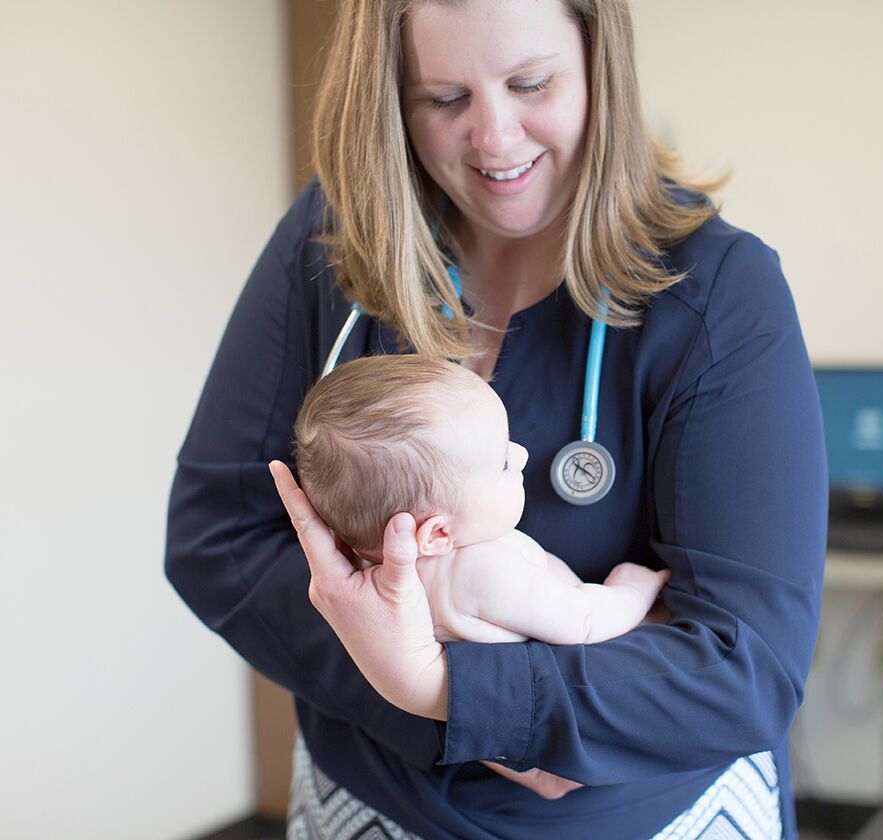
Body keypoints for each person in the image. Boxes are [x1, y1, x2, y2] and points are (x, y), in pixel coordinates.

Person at [165, 0, 828, 838]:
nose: (493, 138)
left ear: (599, 64)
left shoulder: (716, 290)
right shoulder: (333, 243)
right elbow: (216, 540)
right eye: (442, 99)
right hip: (366, 803)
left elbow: (744, 670)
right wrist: (437, 705)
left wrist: (449, 689)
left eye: (530, 83)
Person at [293, 353, 669, 645]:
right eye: (502, 463)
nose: (521, 455)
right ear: (438, 534)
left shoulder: (379, 573)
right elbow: (584, 622)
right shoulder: (481, 570)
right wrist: (634, 588)